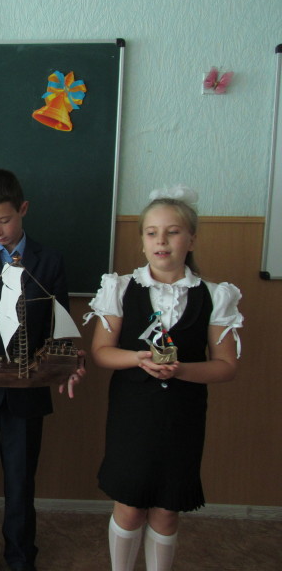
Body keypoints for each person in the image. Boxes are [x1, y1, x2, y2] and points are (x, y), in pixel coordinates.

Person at [85, 186, 242, 571]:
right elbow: (102, 351)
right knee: (130, 505)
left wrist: (182, 369)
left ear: (192, 239)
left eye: (172, 232)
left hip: (182, 416)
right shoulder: (120, 288)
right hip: (133, 414)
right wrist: (138, 359)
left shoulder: (214, 294)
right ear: (142, 241)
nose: (162, 241)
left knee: (168, 510)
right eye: (152, 233)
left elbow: (226, 365)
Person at [0, 169, 83, 571]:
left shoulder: (50, 260)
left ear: (23, 209)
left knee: (21, 482)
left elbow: (60, 326)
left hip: (28, 389)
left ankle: (22, 557)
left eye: (4, 220)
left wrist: (66, 362)